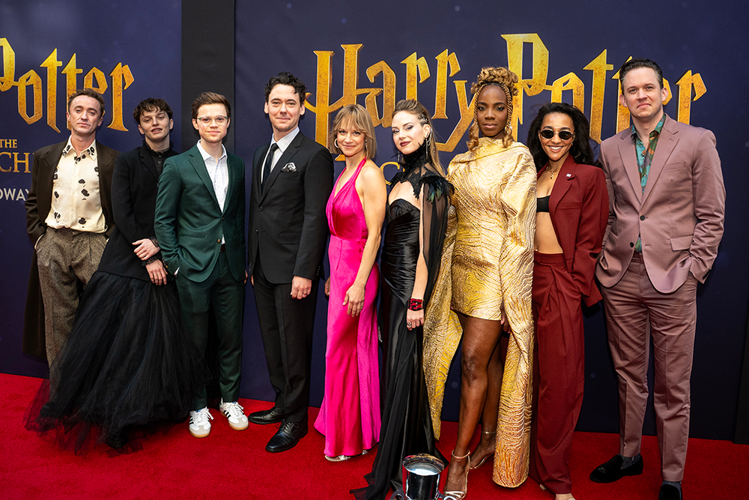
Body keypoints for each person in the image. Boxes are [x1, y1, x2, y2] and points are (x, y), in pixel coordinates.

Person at [26, 98, 209, 451]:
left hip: (160, 253)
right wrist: (146, 251)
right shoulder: (124, 161)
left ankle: (146, 408)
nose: (155, 123)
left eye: (161, 117)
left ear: (172, 123)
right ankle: (75, 400)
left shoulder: (184, 162)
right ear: (139, 128)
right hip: (122, 254)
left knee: (147, 340)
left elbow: (188, 213)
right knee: (90, 332)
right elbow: (121, 212)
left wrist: (159, 247)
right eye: (147, 119)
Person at [590, 58, 725, 500]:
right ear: (623, 99)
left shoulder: (697, 140)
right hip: (621, 277)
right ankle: (630, 455)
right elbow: (611, 212)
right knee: (629, 376)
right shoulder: (610, 147)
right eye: (632, 90)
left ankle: (671, 476)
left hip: (675, 278)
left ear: (665, 92)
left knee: (672, 385)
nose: (641, 95)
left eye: (649, 87)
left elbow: (712, 215)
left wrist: (695, 271)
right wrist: (606, 262)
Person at [424, 66, 536, 498]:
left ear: (510, 112)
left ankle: (458, 460)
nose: (490, 115)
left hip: (495, 275)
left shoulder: (519, 158)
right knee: (486, 362)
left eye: (499, 108)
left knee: (471, 360)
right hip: (461, 270)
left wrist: (512, 294)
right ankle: (488, 438)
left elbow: (520, 231)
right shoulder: (460, 161)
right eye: (483, 107)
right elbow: (451, 222)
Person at [353, 99, 451, 500]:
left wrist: (417, 302)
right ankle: (408, 446)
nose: (401, 135)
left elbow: (430, 250)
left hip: (409, 287)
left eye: (409, 127)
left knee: (401, 367)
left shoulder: (431, 183)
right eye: (395, 130)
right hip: (391, 286)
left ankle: (398, 463)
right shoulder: (399, 176)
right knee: (399, 369)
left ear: (426, 130)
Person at [247, 72, 334, 452]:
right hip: (262, 267)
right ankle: (282, 403)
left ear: (302, 109)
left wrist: (305, 271)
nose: (283, 109)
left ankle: (296, 419)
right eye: (276, 102)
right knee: (272, 342)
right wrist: (251, 262)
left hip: (294, 271)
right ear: (266, 107)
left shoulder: (315, 155)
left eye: (291, 103)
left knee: (294, 346)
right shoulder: (260, 154)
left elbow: (316, 218)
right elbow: (259, 210)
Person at [525, 102, 608, 499]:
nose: (555, 139)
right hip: (525, 279)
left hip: (561, 281)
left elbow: (592, 240)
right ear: (538, 136)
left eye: (564, 133)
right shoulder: (531, 174)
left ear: (576, 138)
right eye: (548, 132)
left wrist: (574, 287)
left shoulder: (590, 176)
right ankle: (528, 464)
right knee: (527, 380)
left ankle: (556, 477)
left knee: (560, 385)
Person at [155, 92, 248, 439]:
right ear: (195, 123)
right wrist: (174, 263)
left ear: (228, 122)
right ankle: (197, 406)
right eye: (206, 119)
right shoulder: (178, 165)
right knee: (194, 341)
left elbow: (236, 217)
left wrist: (242, 261)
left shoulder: (237, 165)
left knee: (230, 337)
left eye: (220, 118)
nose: (213, 124)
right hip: (191, 267)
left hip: (230, 266)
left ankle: (230, 399)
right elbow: (163, 220)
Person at [24, 89, 118, 367]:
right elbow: (33, 200)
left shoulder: (114, 160)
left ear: (100, 119)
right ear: (68, 116)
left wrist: (108, 242)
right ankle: (62, 387)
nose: (84, 116)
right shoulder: (45, 156)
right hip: (54, 241)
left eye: (92, 112)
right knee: (57, 321)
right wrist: (40, 240)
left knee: (104, 316)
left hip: (95, 243)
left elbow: (122, 207)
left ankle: (98, 385)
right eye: (78, 110)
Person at [314, 104, 387, 461]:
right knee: (342, 353)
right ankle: (343, 425)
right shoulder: (344, 170)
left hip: (358, 273)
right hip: (341, 271)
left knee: (341, 354)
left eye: (355, 132)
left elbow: (374, 235)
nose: (347, 138)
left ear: (366, 137)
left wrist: (358, 284)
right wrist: (333, 275)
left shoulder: (369, 174)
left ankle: (347, 441)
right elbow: (339, 230)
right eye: (341, 132)